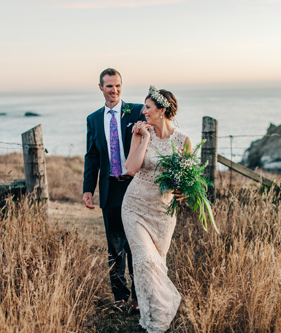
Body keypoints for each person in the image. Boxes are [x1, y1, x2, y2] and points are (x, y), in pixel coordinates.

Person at [122, 86, 189, 332]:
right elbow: (131, 168)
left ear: (161, 111)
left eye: (148, 107)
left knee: (156, 264)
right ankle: (157, 322)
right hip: (135, 207)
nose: (143, 111)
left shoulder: (183, 141)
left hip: (162, 213)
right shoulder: (140, 132)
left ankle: (153, 315)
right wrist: (145, 138)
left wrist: (183, 192)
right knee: (145, 261)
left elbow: (185, 181)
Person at [82, 68, 145, 312]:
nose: (114, 90)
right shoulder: (93, 119)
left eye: (117, 85)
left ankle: (139, 299)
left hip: (134, 187)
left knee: (136, 245)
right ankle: (120, 297)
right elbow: (92, 155)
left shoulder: (137, 111)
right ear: (101, 88)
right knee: (115, 246)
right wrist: (89, 188)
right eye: (109, 86)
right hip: (109, 188)